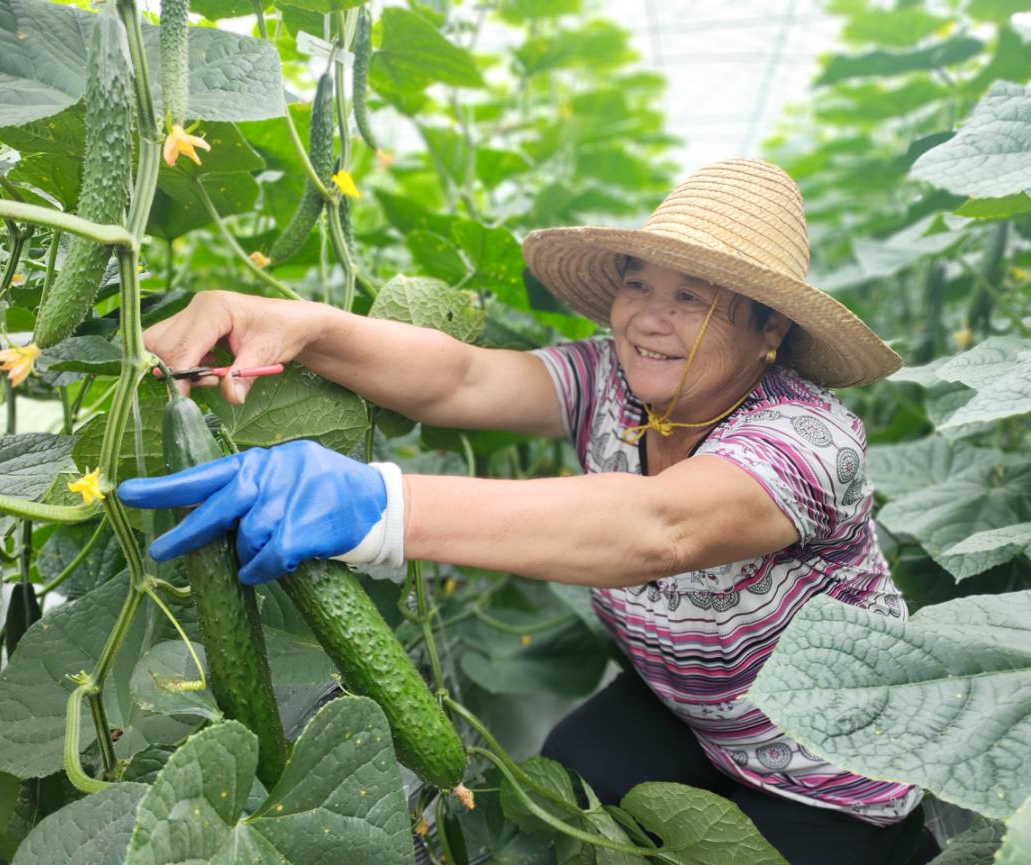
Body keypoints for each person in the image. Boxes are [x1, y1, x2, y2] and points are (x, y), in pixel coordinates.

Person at [117, 159, 938, 865]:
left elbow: (660, 527)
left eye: (691, 298)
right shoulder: (613, 385)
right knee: (574, 764)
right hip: (693, 711)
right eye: (637, 285)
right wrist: (300, 324)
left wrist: (378, 503)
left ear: (768, 331)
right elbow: (461, 380)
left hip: (831, 763)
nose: (647, 316)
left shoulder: (809, 437)